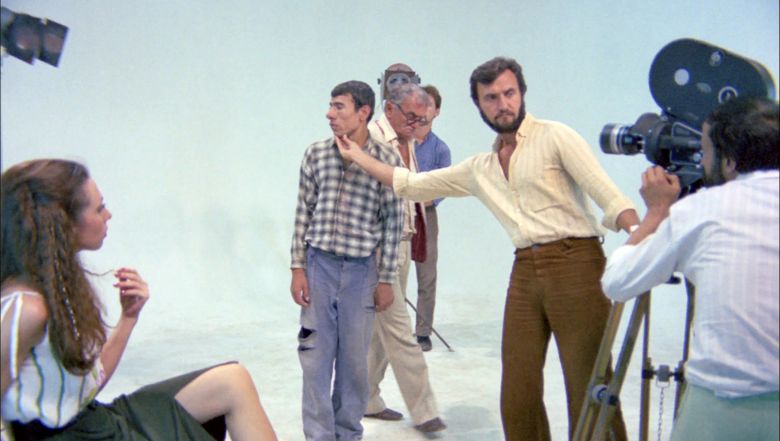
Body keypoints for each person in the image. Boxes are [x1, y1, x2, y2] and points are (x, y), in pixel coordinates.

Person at [336, 56, 639, 441]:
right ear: (479, 106)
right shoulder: (481, 168)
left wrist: (636, 231)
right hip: (525, 269)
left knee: (588, 384)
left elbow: (607, 194)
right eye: (491, 98)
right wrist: (357, 155)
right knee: (517, 394)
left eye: (509, 93)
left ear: (522, 93)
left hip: (576, 262)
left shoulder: (554, 136)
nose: (503, 104)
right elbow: (410, 183)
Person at [0, 159, 277, 441]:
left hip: (91, 419)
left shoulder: (54, 283)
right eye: (99, 208)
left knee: (233, 381)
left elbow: (85, 387)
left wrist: (129, 317)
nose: (108, 215)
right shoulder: (25, 308)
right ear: (64, 224)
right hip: (76, 435)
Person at [601, 96, 779, 441]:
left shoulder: (702, 210)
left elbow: (617, 283)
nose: (702, 159)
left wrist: (656, 214)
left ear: (729, 160)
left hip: (720, 403)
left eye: (705, 150)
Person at [289, 80, 403, 441]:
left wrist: (386, 279)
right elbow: (303, 212)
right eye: (330, 105)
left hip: (361, 273)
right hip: (319, 267)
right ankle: (318, 436)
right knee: (315, 358)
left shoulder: (387, 160)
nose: (330, 114)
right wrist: (297, 267)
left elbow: (394, 222)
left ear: (363, 112)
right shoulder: (316, 154)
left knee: (354, 364)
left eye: (339, 107)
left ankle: (348, 434)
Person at [361, 80, 446, 433]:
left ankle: (366, 397)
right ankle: (425, 411)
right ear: (390, 108)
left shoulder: (406, 139)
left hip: (404, 241)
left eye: (422, 119)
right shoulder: (372, 139)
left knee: (380, 333)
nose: (417, 125)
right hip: (380, 247)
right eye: (411, 117)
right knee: (399, 329)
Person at [412, 84, 452, 352]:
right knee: (388, 271)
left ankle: (423, 331)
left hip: (426, 215)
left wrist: (419, 200)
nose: (423, 111)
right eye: (419, 104)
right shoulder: (399, 143)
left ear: (436, 111)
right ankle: (384, 330)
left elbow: (443, 188)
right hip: (395, 212)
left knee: (427, 275)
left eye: (429, 105)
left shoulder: (440, 150)